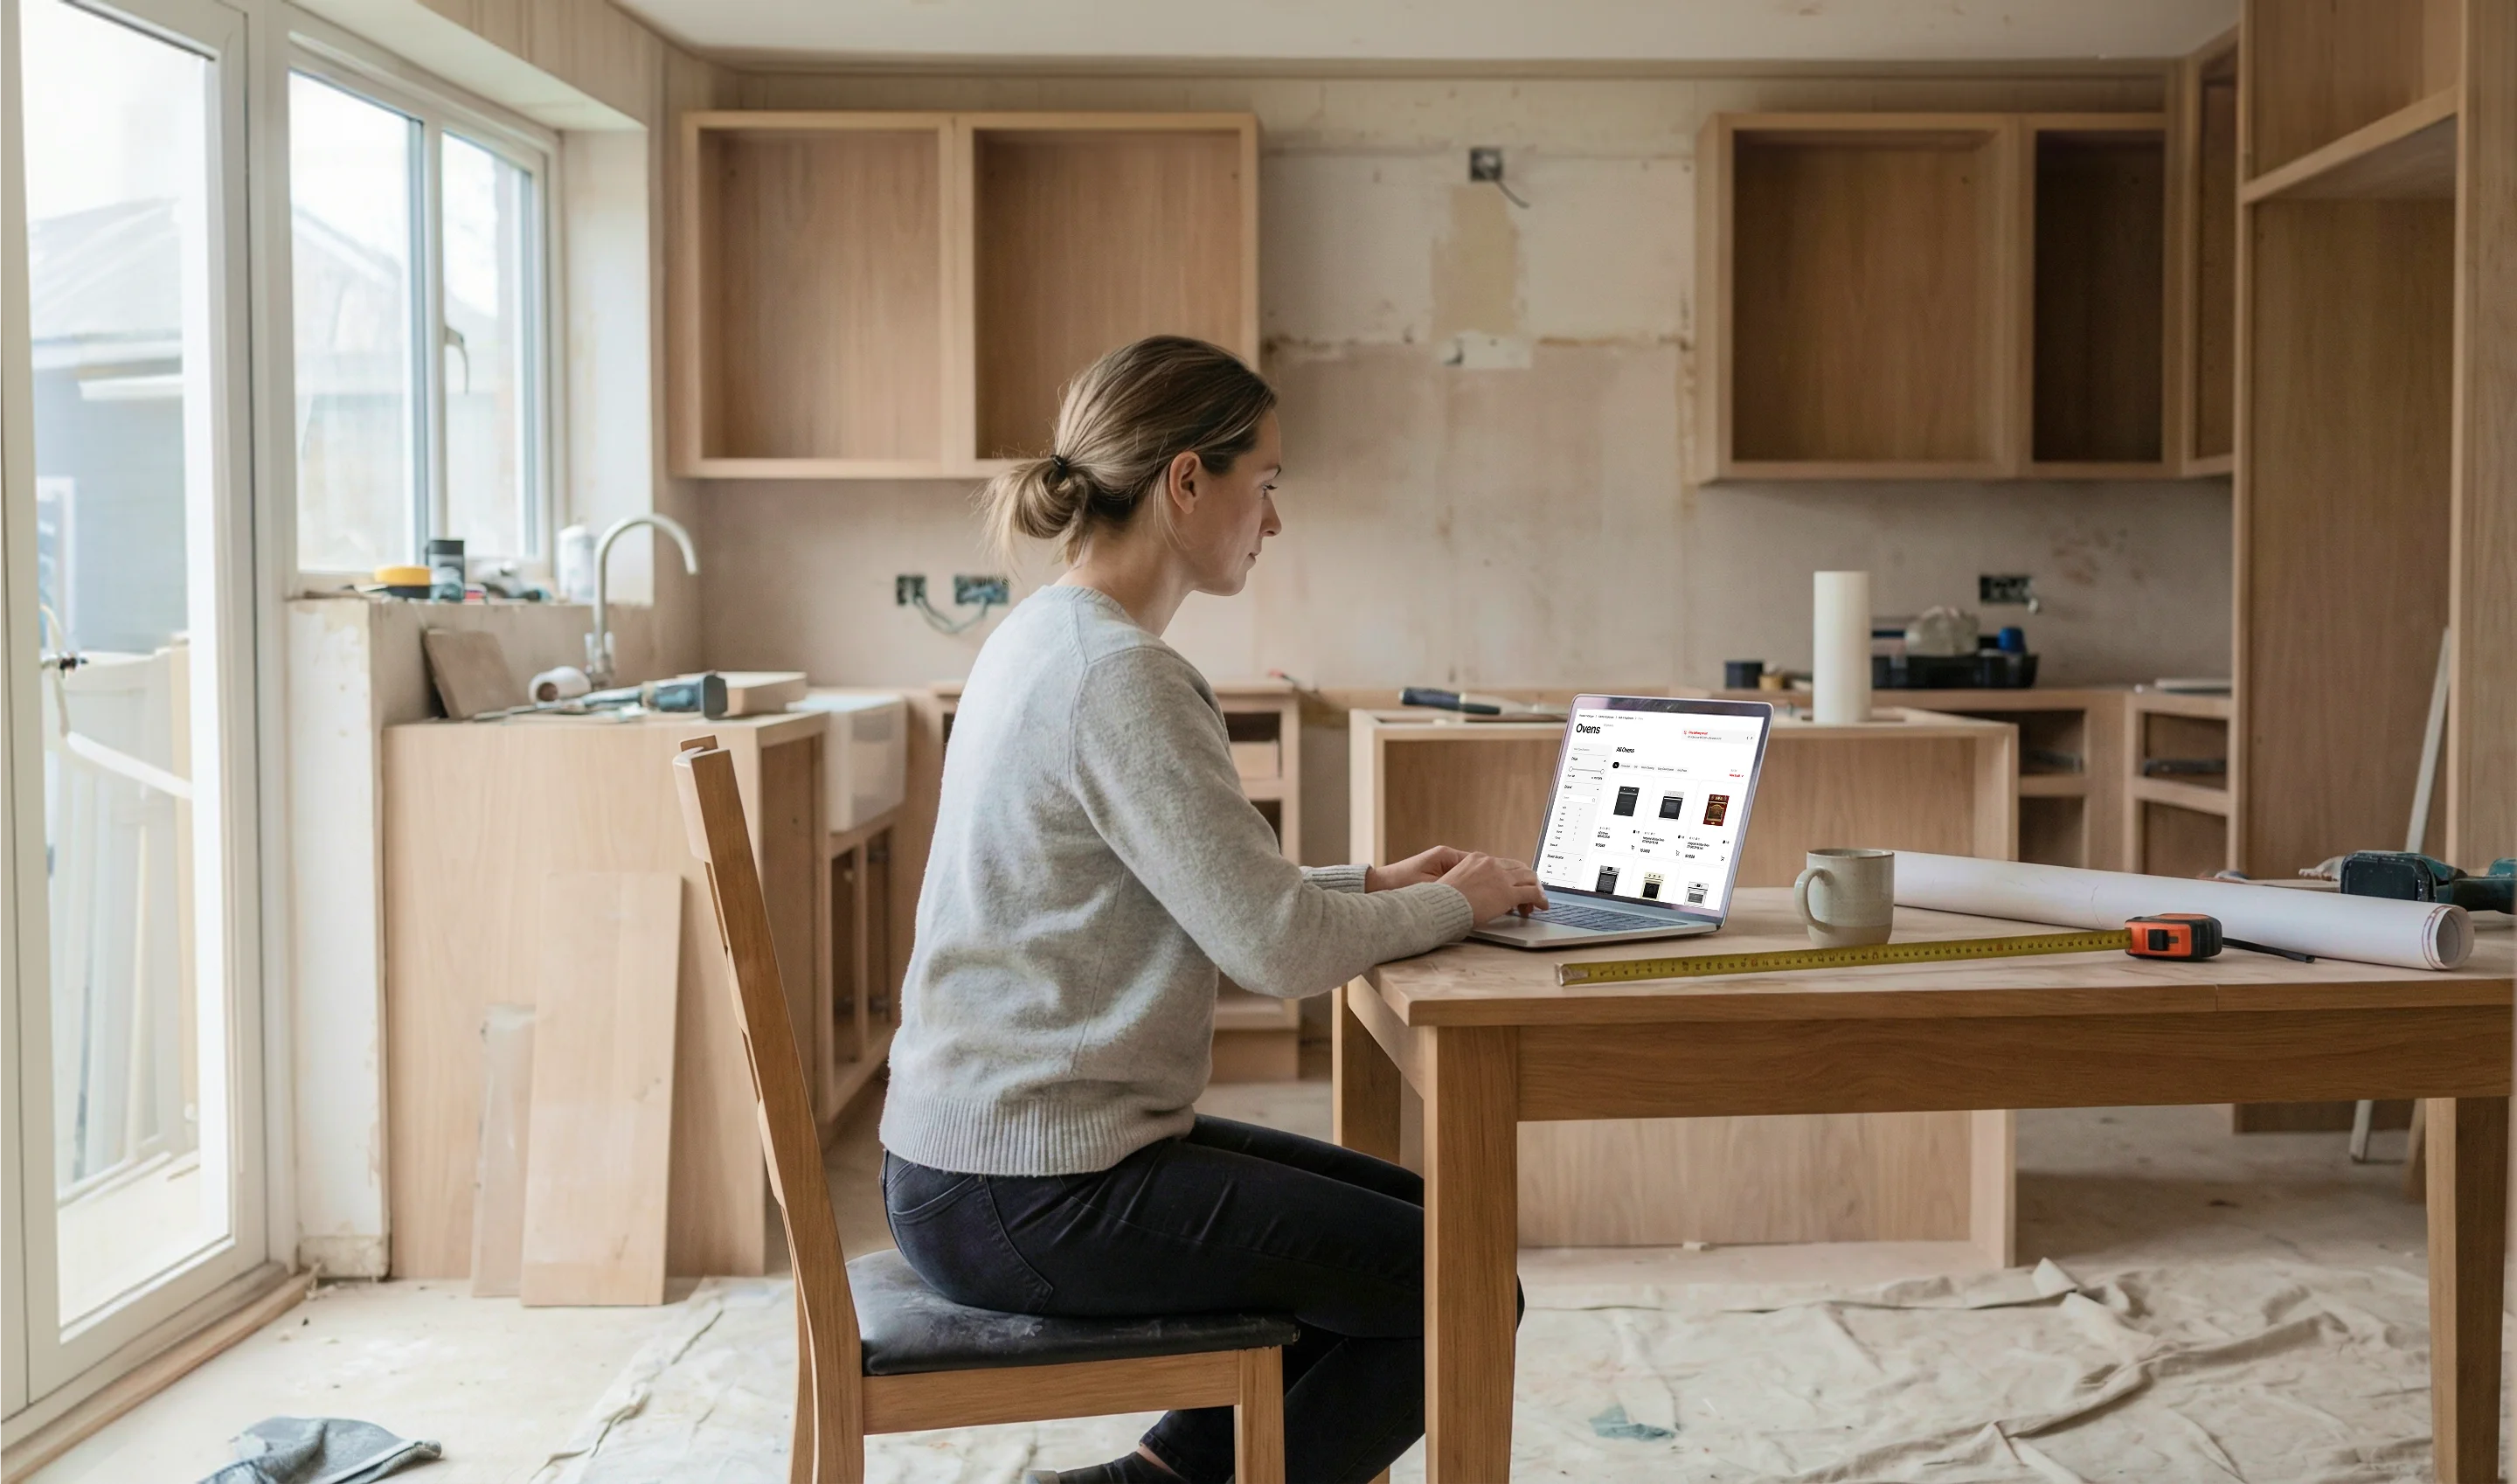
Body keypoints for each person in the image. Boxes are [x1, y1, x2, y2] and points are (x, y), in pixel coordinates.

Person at [879, 336, 1547, 1484]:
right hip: (1025, 1188)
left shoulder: (1045, 634)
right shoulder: (1120, 674)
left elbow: (1209, 896)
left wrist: (1380, 887)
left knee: (1433, 1230)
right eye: (1266, 484)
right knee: (1459, 1276)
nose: (1273, 521)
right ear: (1187, 480)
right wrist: (1457, 901)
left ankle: (1153, 1479)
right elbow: (1276, 949)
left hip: (981, 1161)